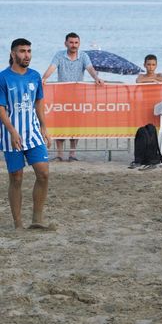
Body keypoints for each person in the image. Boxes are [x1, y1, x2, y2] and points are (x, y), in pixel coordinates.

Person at [0, 39, 52, 230]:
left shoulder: (35, 76)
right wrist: (12, 132)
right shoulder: (3, 78)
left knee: (44, 173)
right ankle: (18, 223)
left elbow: (38, 102)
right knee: (17, 178)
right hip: (10, 136)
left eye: (29, 51)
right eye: (22, 51)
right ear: (13, 54)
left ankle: (37, 219)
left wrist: (44, 127)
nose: (27, 55)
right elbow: (1, 109)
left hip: (33, 134)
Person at [41, 32, 104, 162]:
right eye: (71, 42)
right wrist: (45, 78)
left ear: (79, 44)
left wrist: (97, 78)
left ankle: (72, 153)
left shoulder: (84, 56)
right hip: (61, 96)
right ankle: (59, 154)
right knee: (60, 124)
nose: (73, 45)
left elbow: (90, 68)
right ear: (66, 43)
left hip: (78, 97)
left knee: (75, 125)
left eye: (76, 43)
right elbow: (52, 68)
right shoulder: (59, 55)